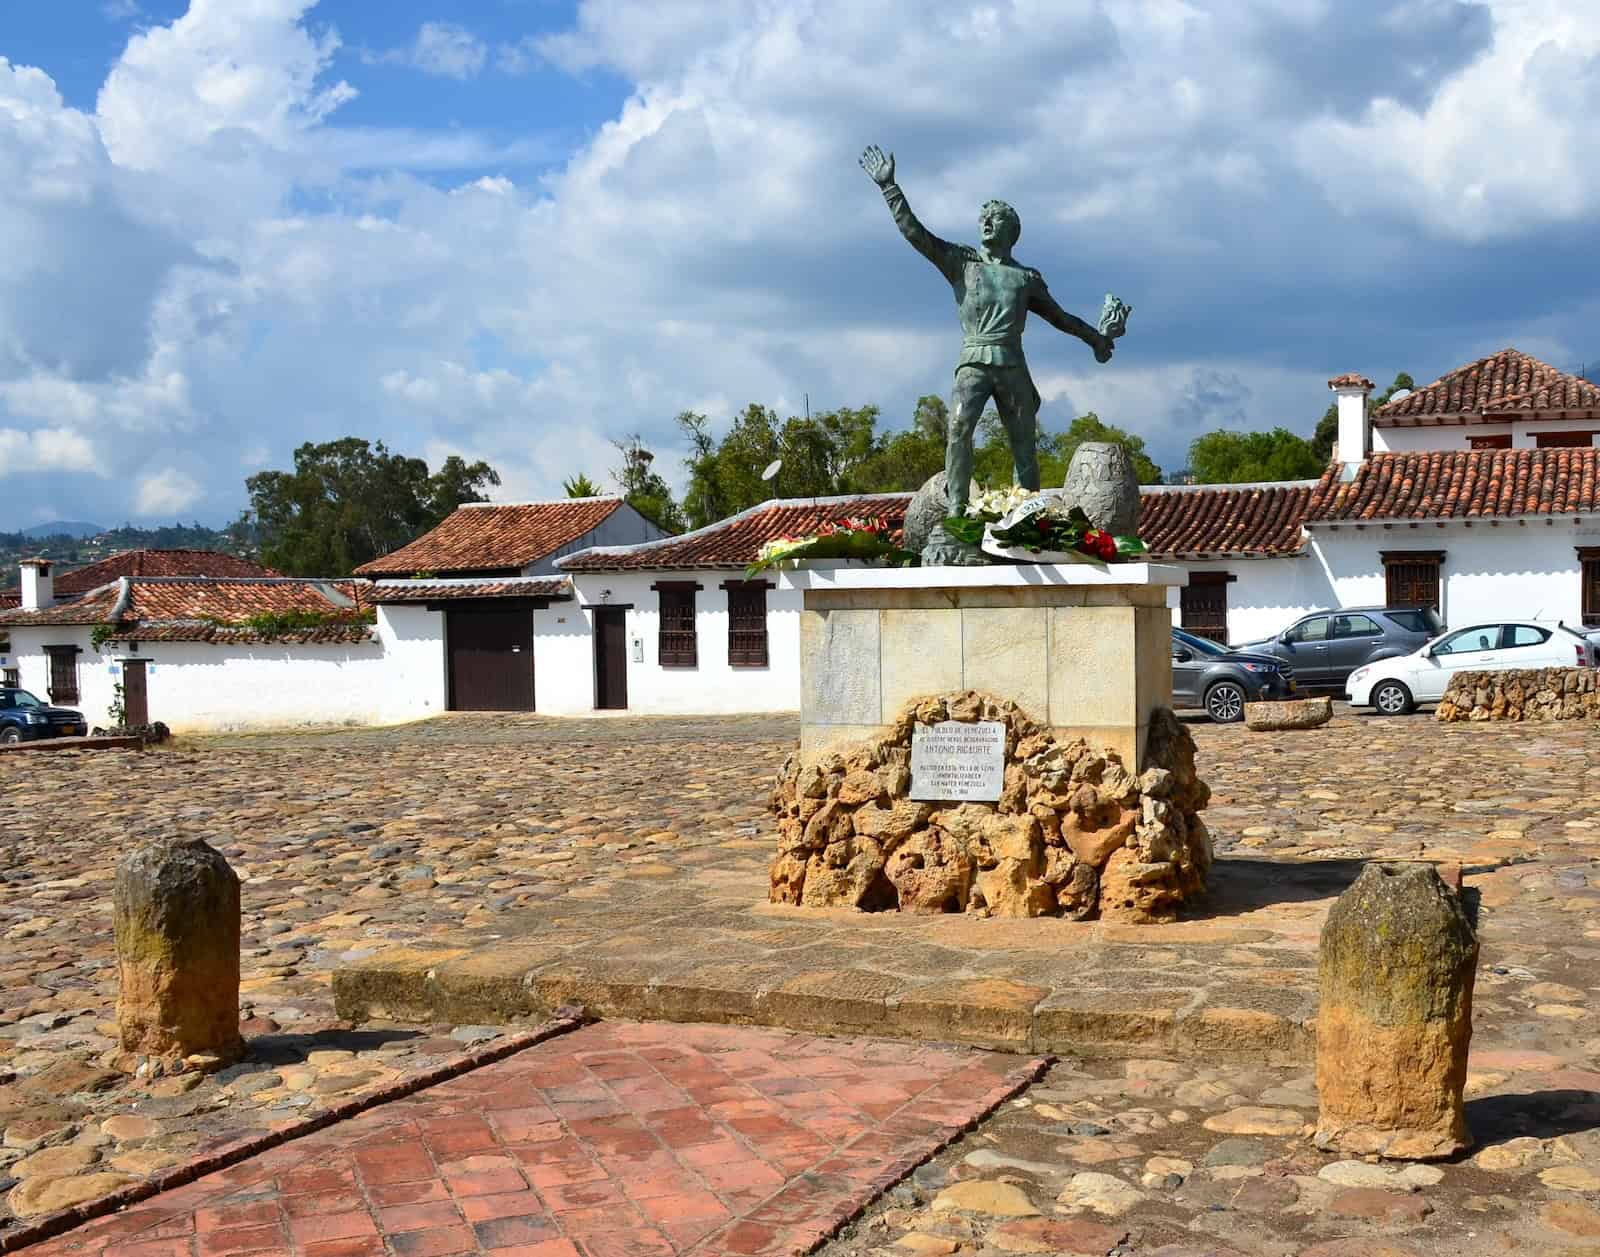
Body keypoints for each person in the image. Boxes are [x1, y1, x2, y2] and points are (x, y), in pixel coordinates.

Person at [861, 144, 1115, 516]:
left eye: (995, 218)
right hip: (974, 361)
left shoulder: (1025, 278)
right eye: (984, 217)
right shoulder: (961, 262)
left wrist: (1096, 338)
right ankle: (956, 512)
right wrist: (890, 188)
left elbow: (1060, 317)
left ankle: (1026, 517)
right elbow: (916, 234)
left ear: (1011, 232)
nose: (986, 222)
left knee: (1023, 444)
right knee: (958, 429)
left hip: (1012, 364)